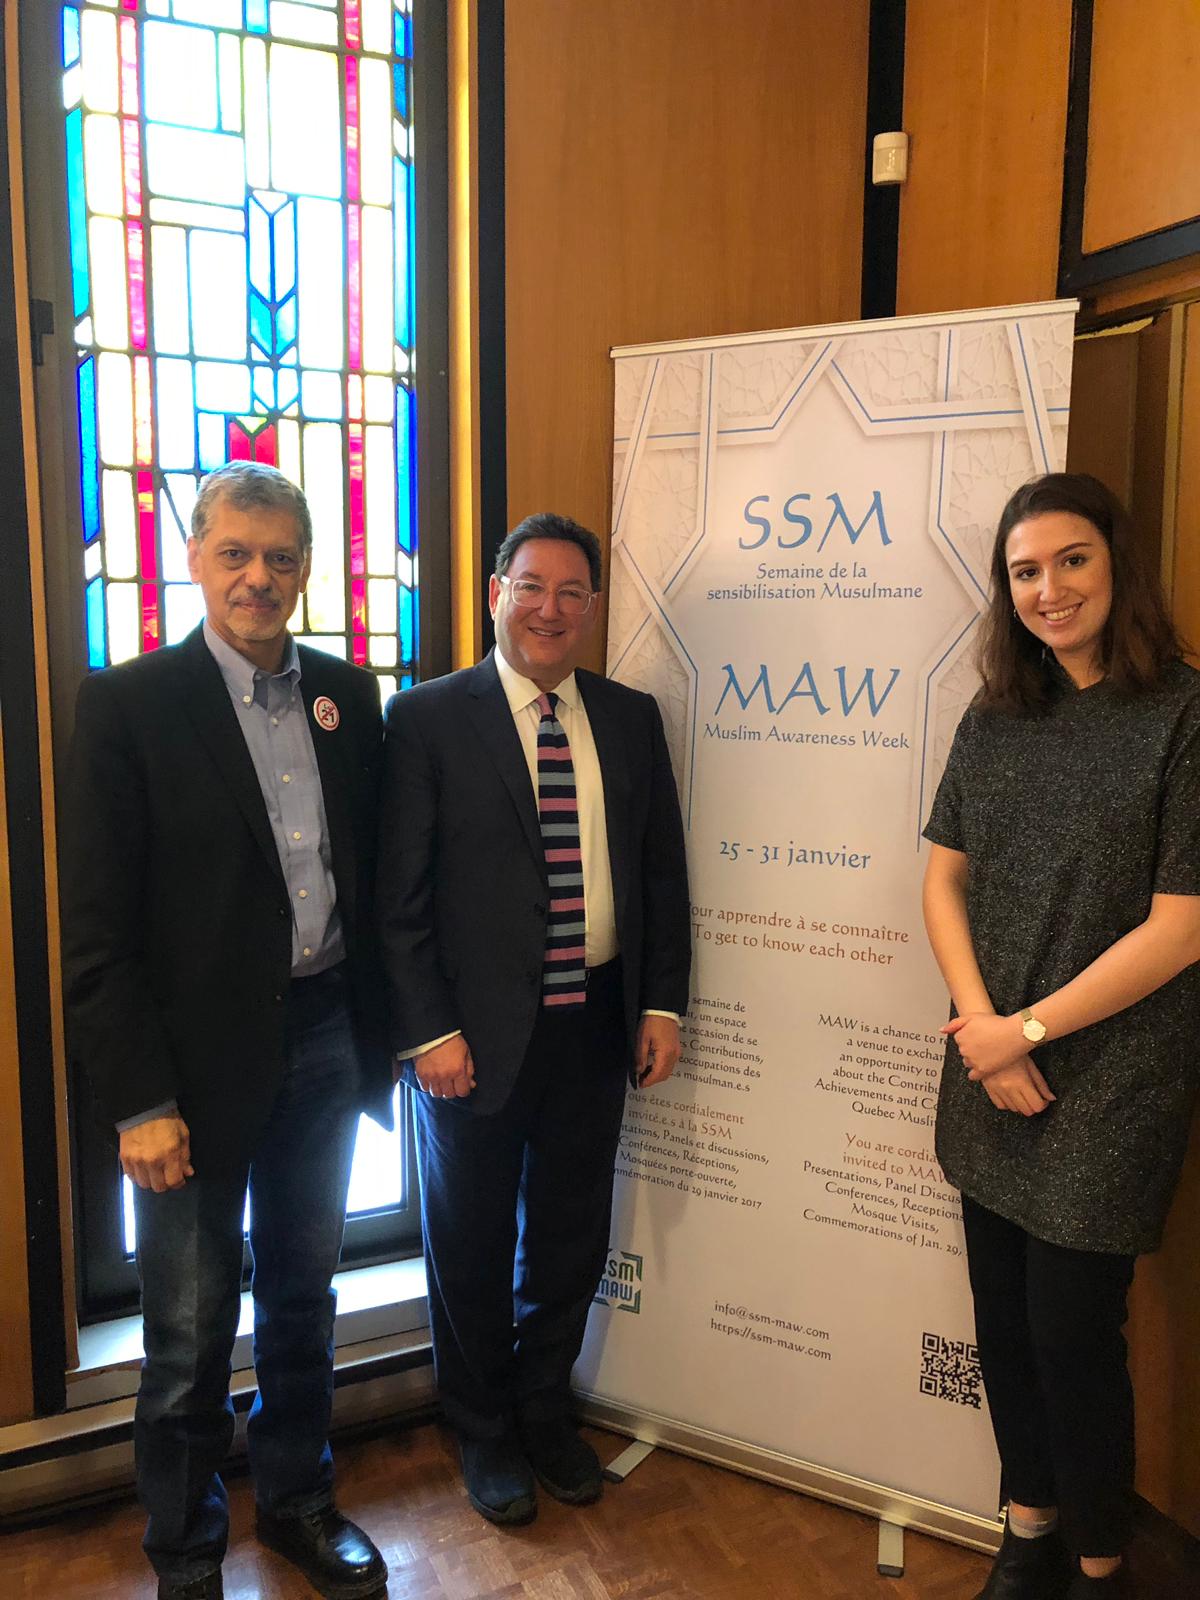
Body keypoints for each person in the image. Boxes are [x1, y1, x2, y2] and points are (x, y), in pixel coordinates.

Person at [61, 462, 391, 1600]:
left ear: (307, 568)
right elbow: (97, 933)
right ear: (195, 557)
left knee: (303, 1300)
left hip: (327, 1039)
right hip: (191, 1078)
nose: (259, 577)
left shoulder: (348, 696)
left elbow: (372, 879)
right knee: (189, 1334)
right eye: (236, 553)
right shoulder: (129, 705)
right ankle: (187, 1553)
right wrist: (140, 1102)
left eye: (281, 557)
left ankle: (298, 1503)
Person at [377, 511, 691, 1525]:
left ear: (592, 608)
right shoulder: (427, 717)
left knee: (568, 1234)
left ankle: (544, 1407)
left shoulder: (630, 718)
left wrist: (660, 1003)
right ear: (495, 594)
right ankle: (480, 1425)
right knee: (468, 1237)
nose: (550, 609)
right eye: (532, 586)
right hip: (470, 1038)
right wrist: (428, 1032)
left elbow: (660, 874)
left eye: (571, 592)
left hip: (595, 1023)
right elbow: (398, 897)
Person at [921, 473, 1200, 1600]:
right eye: (1025, 570)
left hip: (1115, 1078)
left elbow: (1182, 927)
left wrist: (1025, 1030)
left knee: (1073, 1334)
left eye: (1071, 559)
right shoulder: (996, 715)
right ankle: (1028, 1527)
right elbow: (942, 880)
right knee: (1001, 1321)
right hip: (992, 1065)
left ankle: (1098, 1563)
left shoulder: (1183, 714)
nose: (1050, 589)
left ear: (1116, 562)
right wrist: (986, 1032)